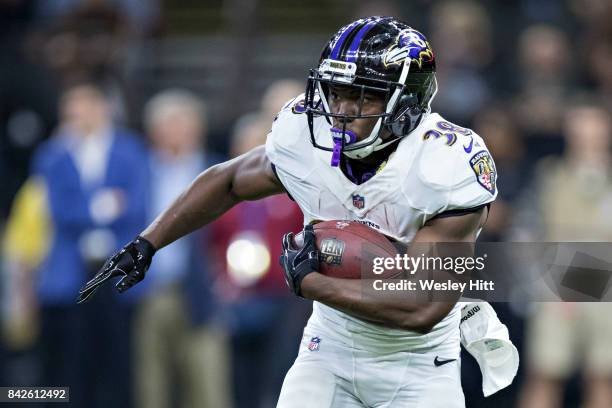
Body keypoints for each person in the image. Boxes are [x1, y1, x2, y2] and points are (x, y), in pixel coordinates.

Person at [77, 17, 510, 407]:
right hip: (331, 348)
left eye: (361, 98)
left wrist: (312, 282)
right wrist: (148, 242)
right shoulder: (306, 137)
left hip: (417, 366)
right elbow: (228, 180)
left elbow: (422, 307)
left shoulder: (443, 165)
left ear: (406, 105)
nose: (340, 111)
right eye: (336, 93)